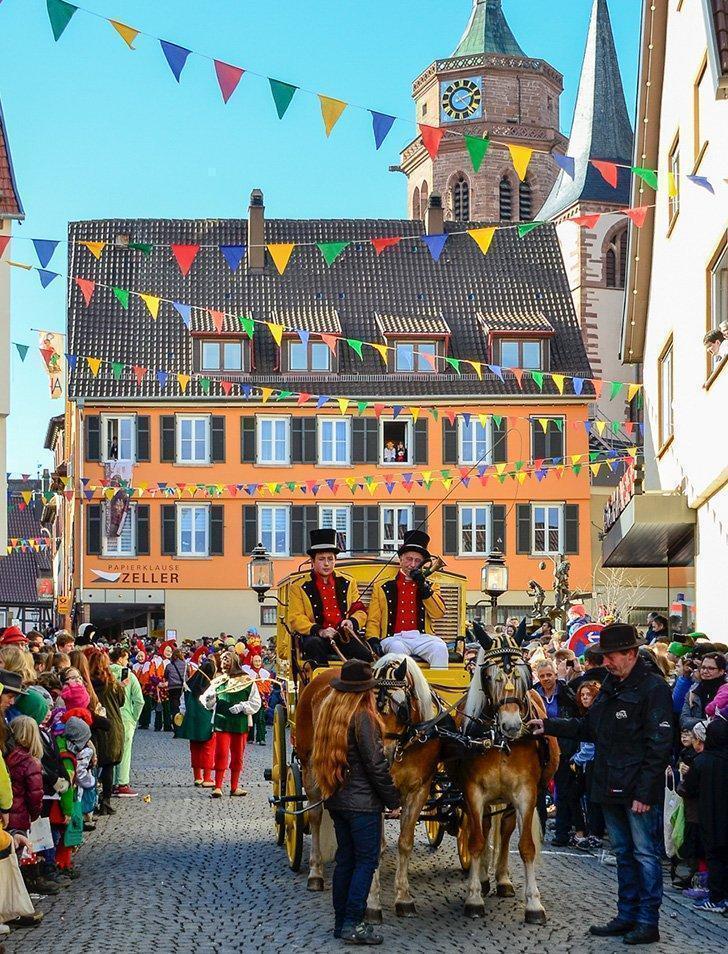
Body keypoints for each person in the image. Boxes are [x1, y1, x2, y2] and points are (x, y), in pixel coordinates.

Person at [529, 623, 673, 946]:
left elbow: (660, 745)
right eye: (604, 656)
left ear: (631, 654)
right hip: (609, 784)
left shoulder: (653, 689)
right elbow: (588, 727)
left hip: (636, 790)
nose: (605, 662)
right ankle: (626, 915)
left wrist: (646, 792)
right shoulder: (609, 685)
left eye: (611, 656)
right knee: (623, 854)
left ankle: (648, 921)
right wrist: (548, 725)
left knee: (645, 855)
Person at [312, 660, 400, 944]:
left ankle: (341, 922)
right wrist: (392, 799)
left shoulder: (330, 713)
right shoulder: (363, 717)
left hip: (337, 799)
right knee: (366, 861)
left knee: (346, 861)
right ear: (365, 691)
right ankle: (354, 922)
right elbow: (376, 765)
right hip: (362, 804)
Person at [289, 528, 372, 668]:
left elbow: (359, 610)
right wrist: (320, 630)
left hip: (342, 636)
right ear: (312, 561)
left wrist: (351, 622)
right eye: (321, 559)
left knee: (366, 655)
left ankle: (359, 687)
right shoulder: (299, 586)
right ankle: (322, 684)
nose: (326, 564)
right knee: (313, 645)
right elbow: (296, 618)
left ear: (335, 560)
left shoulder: (348, 582)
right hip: (316, 636)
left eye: (330, 559)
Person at [365, 530, 448, 668]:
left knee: (440, 648)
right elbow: (374, 619)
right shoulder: (383, 586)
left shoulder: (430, 585)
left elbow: (438, 613)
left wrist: (424, 587)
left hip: (422, 637)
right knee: (397, 650)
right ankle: (401, 689)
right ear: (401, 559)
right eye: (409, 559)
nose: (412, 565)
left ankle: (437, 689)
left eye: (417, 561)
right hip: (394, 637)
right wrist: (372, 639)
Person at [680, 715, 728, 913]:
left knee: (715, 856)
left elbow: (688, 788)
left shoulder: (702, 761)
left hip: (709, 815)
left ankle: (717, 898)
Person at [200, 651, 261, 798]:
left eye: (225, 661)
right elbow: (206, 702)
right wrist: (210, 699)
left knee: (238, 755)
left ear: (233, 662)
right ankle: (218, 786)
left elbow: (256, 702)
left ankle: (234, 786)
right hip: (222, 723)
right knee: (221, 753)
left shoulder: (247, 681)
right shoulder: (218, 682)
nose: (222, 664)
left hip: (240, 723)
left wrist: (242, 706)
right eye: (222, 661)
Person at [532, 660, 579, 846]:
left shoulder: (566, 692)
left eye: (549, 675)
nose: (546, 679)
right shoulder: (533, 693)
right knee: (538, 790)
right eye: (542, 676)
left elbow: (577, 715)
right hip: (540, 747)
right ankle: (539, 830)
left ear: (555, 674)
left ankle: (562, 833)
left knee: (564, 790)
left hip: (563, 746)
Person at [87, 649, 125, 815]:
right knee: (108, 766)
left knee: (92, 765)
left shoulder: (87, 685)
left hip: (94, 726)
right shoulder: (113, 683)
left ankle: (91, 800)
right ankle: (106, 801)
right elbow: (122, 702)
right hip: (112, 725)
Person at [109, 646, 144, 797]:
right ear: (121, 658)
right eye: (126, 658)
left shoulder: (105, 673)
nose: (127, 661)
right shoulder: (129, 675)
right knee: (124, 750)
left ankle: (107, 783)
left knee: (108, 750)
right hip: (125, 717)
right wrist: (134, 717)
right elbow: (139, 700)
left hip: (108, 716)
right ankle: (122, 783)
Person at [178, 656, 217, 787]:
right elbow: (213, 705)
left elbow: (183, 702)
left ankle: (197, 777)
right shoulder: (212, 687)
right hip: (207, 720)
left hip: (192, 719)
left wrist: (182, 714)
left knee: (195, 749)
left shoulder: (189, 684)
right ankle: (207, 778)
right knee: (208, 749)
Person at [680, 652, 727, 730]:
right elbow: (684, 721)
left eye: (711, 668)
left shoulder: (725, 693)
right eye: (703, 667)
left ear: (721, 671)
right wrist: (707, 723)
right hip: (694, 739)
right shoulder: (693, 691)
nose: (705, 671)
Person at [243, 653, 271, 745]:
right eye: (255, 661)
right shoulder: (248, 672)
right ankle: (249, 738)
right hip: (250, 698)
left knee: (261, 718)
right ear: (252, 662)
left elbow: (268, 687)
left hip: (261, 698)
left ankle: (261, 738)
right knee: (250, 717)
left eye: (259, 661)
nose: (257, 663)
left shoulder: (265, 673)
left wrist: (261, 688)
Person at [165, 648, 187, 735]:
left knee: (174, 709)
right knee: (183, 708)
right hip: (183, 688)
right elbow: (188, 675)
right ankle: (183, 729)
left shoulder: (169, 666)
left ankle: (176, 730)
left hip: (173, 689)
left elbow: (166, 675)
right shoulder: (185, 665)